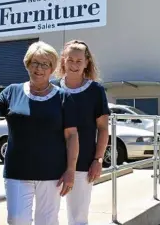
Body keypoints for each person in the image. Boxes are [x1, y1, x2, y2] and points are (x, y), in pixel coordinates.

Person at [0, 41, 79, 225]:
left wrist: (70, 170)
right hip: (17, 171)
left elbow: (72, 136)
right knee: (17, 219)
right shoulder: (12, 91)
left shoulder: (63, 97)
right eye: (35, 62)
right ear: (27, 64)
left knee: (48, 221)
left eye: (45, 64)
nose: (39, 68)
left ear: (52, 68)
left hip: (52, 173)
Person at [52, 40, 110, 225]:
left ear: (87, 62)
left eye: (79, 61)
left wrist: (98, 160)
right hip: (50, 162)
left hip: (84, 163)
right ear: (63, 61)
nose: (74, 65)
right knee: (47, 216)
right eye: (70, 60)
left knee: (78, 218)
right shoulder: (52, 88)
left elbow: (102, 129)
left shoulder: (95, 90)